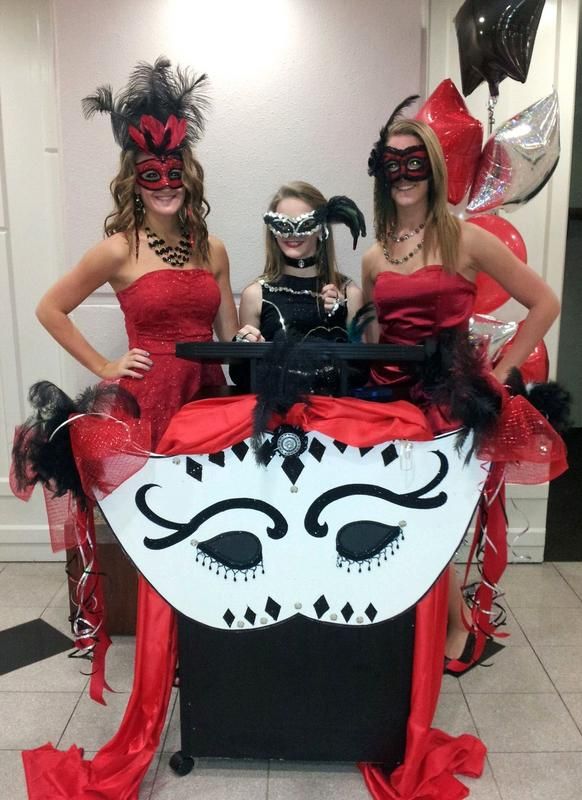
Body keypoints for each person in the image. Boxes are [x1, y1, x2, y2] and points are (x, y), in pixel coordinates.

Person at [17, 57, 238, 800]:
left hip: (208, 405)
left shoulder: (214, 248)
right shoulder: (118, 247)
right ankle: (158, 675)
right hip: (150, 408)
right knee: (164, 547)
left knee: (216, 540)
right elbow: (51, 307)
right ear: (134, 176)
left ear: (188, 171)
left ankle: (205, 668)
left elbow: (228, 338)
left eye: (174, 171)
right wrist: (108, 363)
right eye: (152, 173)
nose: (166, 182)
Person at [363, 99, 561, 671]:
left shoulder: (466, 240)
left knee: (432, 519)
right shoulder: (375, 255)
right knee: (391, 518)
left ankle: (456, 631)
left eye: (414, 162)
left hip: (445, 402)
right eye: (391, 163)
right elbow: (374, 333)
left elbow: (543, 302)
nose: (402, 175)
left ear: (433, 169)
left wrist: (501, 372)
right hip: (384, 398)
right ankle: (419, 627)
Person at [236, 181, 365, 344]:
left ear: (321, 228)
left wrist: (340, 319)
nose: (292, 234)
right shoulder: (255, 296)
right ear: (273, 231)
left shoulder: (350, 294)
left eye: (304, 225)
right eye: (283, 225)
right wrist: (245, 347)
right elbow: (245, 369)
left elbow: (360, 365)